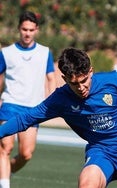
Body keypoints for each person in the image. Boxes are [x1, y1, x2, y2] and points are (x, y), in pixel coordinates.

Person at [0, 47, 117, 188]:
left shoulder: (114, 81)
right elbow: (25, 119)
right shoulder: (60, 99)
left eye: (84, 81)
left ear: (91, 71)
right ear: (65, 78)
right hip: (101, 153)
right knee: (87, 183)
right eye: (74, 84)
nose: (81, 88)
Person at [0, 11, 56, 188]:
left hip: (33, 109)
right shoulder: (6, 53)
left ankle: (3, 175)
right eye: (24, 29)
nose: (27, 33)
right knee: (5, 148)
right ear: (19, 29)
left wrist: (53, 103)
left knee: (26, 154)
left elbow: (51, 78)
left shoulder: (45, 52)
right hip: (10, 104)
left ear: (36, 30)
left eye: (31, 30)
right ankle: (4, 184)